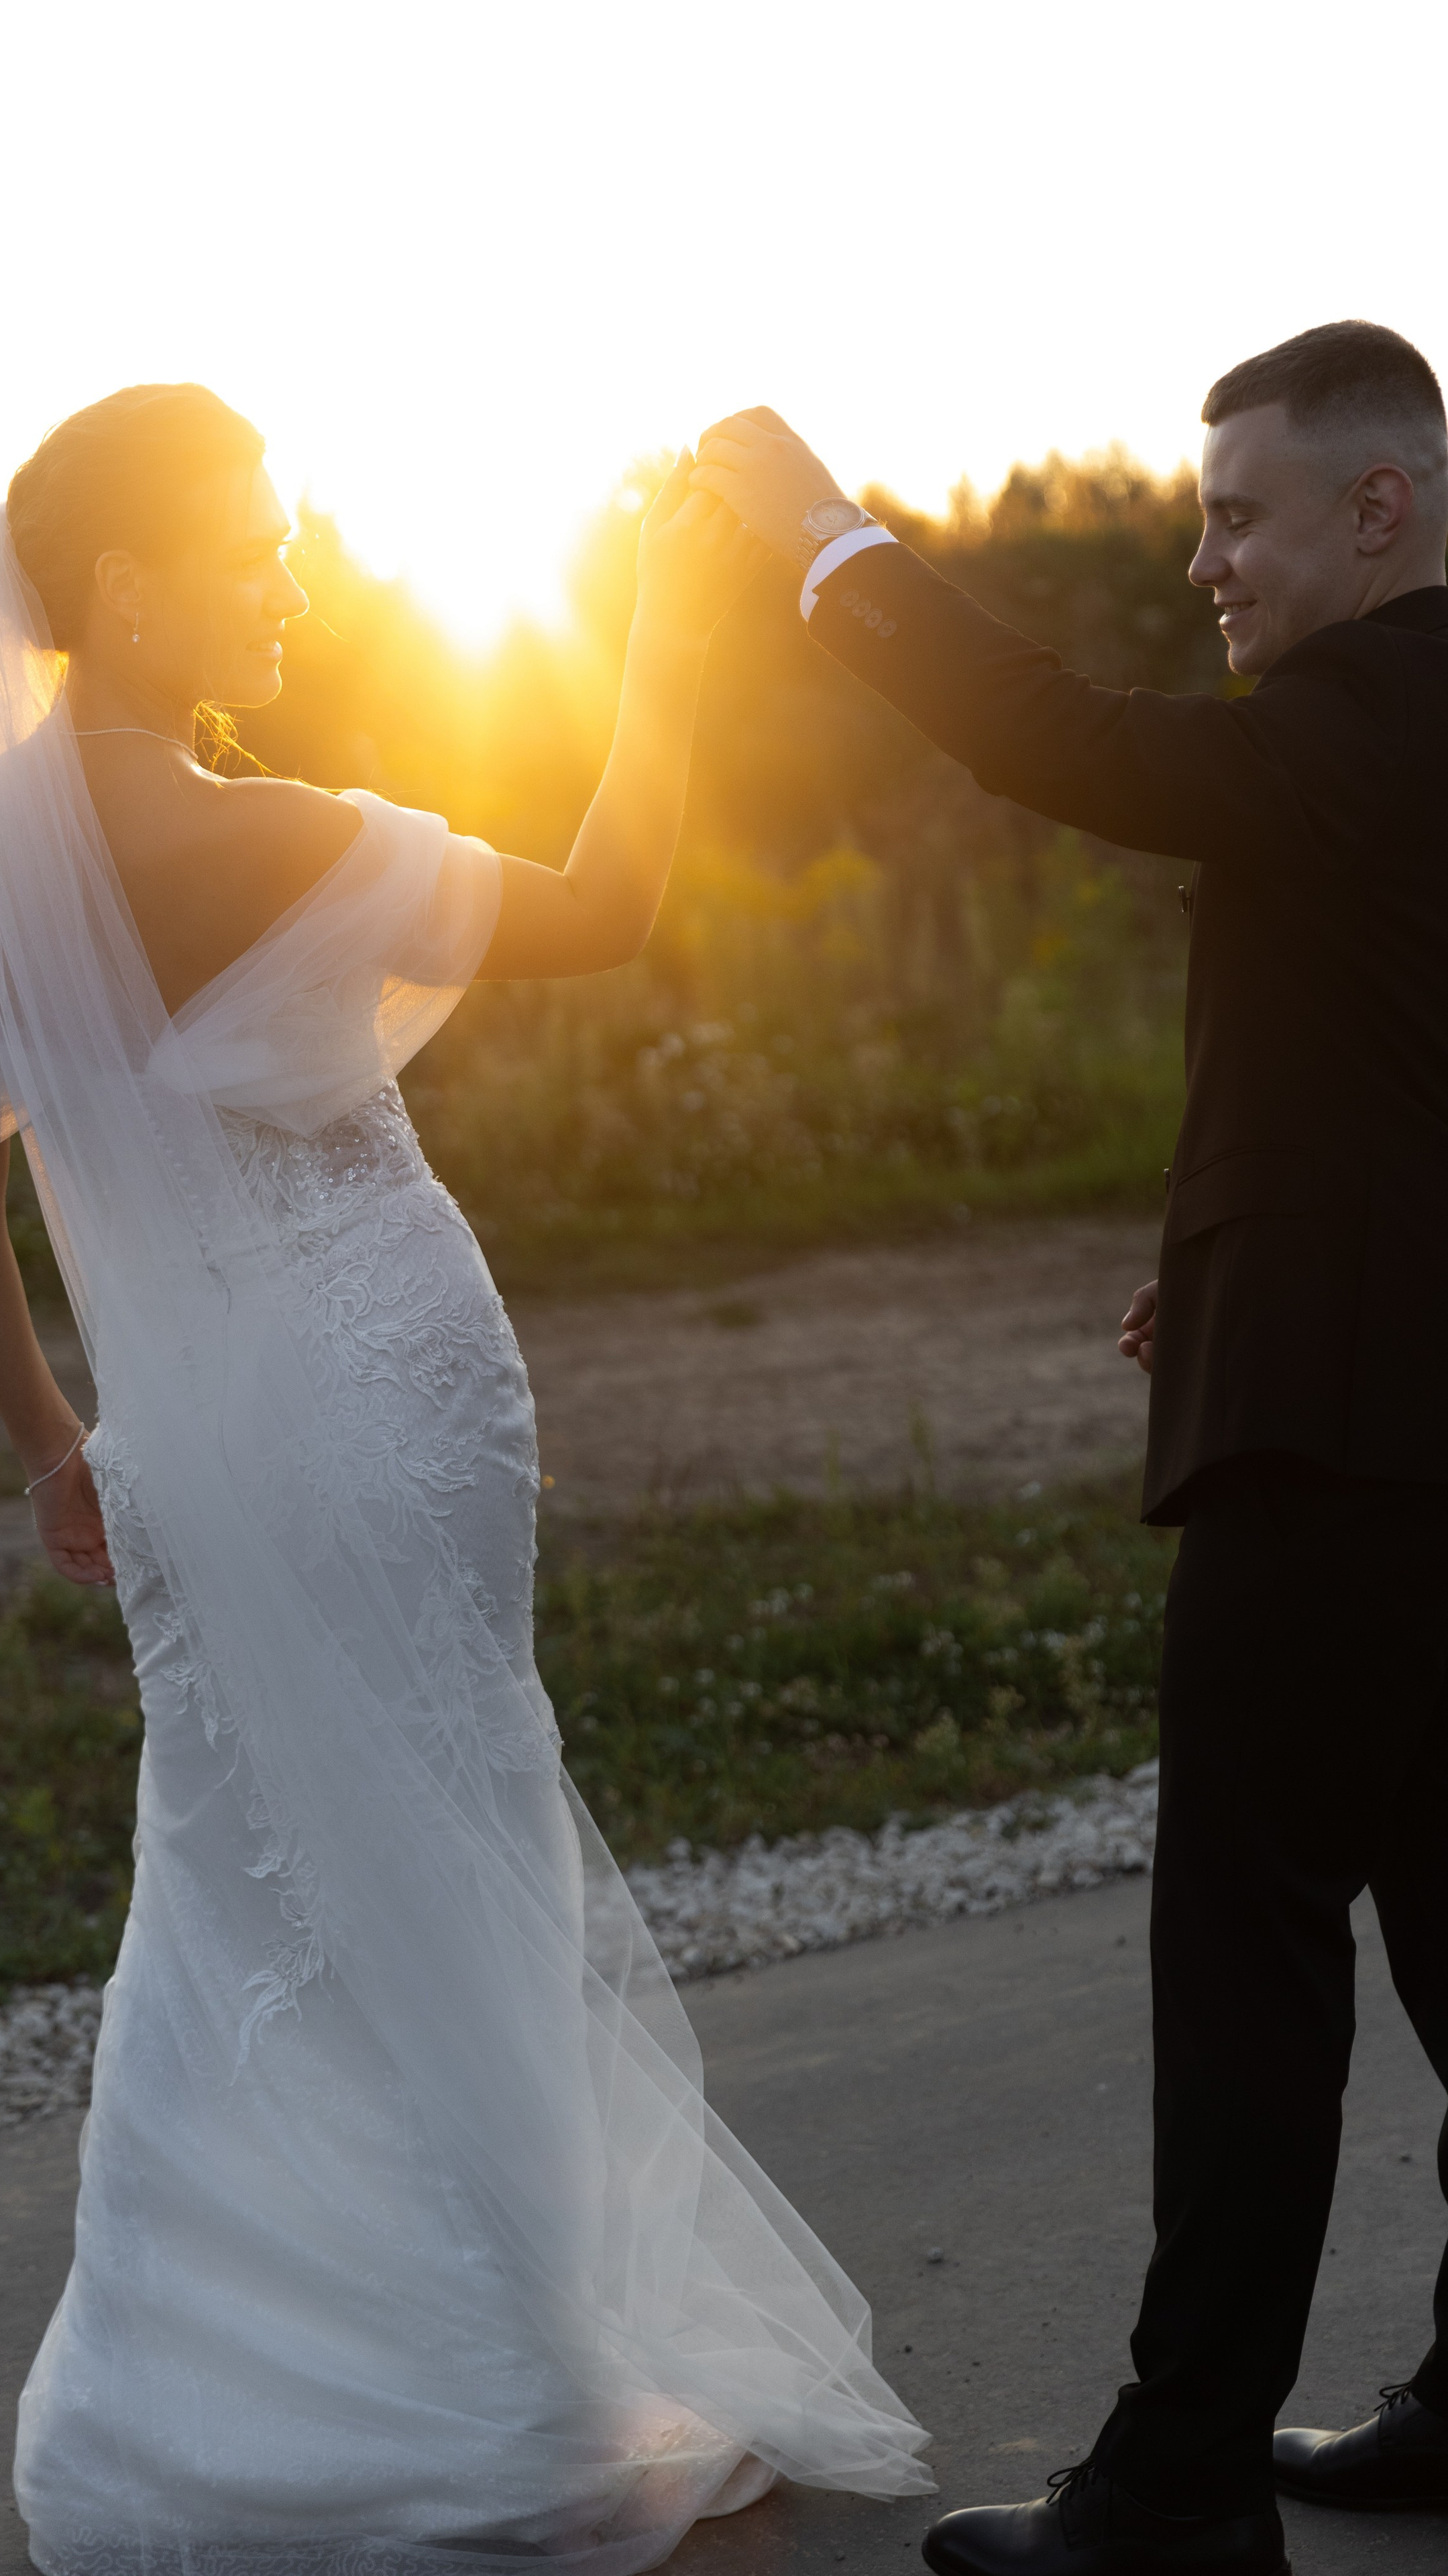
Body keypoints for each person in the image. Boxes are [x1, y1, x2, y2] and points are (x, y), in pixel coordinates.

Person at [0, 382, 931, 2576]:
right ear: (136, 586)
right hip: (389, 1416)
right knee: (451, 1847)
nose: (292, 564)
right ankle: (494, 2399)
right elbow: (613, 898)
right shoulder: (283, 841)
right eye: (255, 534)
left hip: (186, 1453)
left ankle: (188, 2423)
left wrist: (54, 1451)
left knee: (240, 1867)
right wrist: (660, 626)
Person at [694, 320, 1448, 2576]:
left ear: (1378, 512)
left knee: (1245, 1961)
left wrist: (819, 537)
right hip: (1391, 1396)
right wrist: (1240, 1280)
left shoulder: (1365, 713)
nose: (1201, 558)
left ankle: (1178, 2489)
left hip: (1338, 1460)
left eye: (1234, 513)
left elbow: (1057, 741)